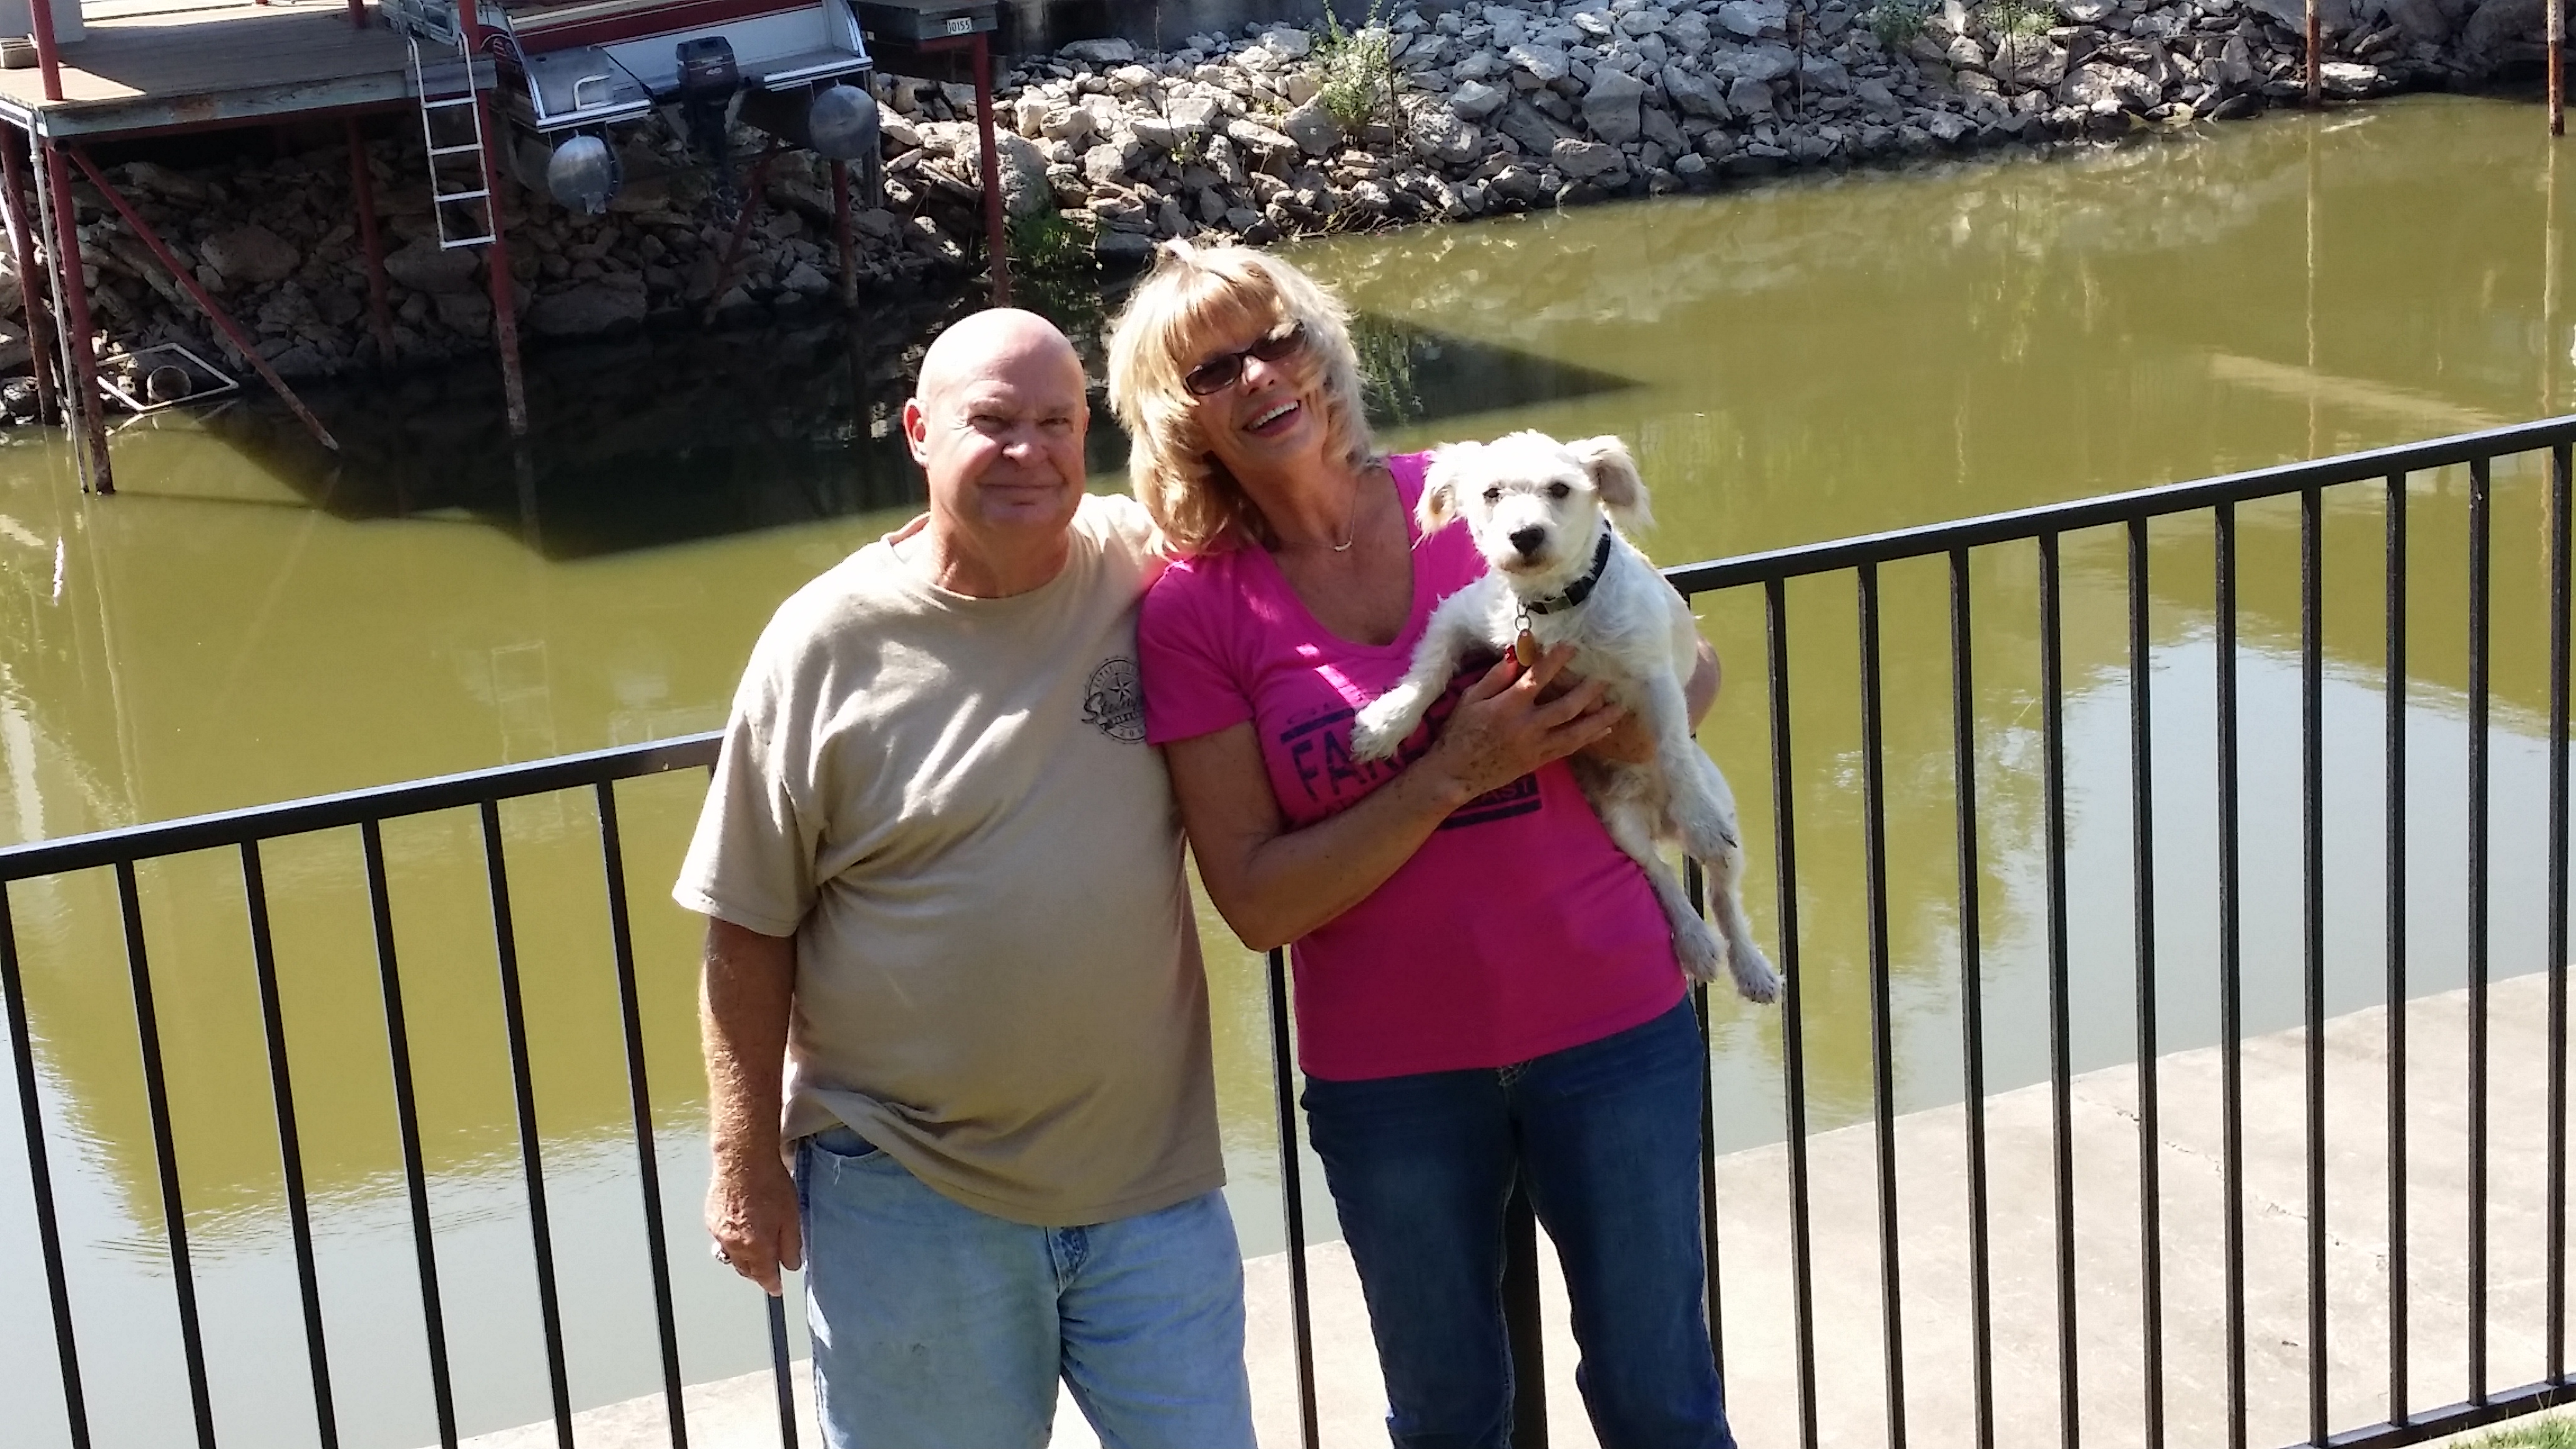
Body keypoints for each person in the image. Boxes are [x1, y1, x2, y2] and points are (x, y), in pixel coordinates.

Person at [1110, 241, 1739, 1449]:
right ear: (1178, 416)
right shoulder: (1195, 610)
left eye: (1276, 338)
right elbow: (1257, 903)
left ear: (1322, 348)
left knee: (1662, 1403)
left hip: (1612, 1026)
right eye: (1213, 369)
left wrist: (1612, 720)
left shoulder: (1487, 493)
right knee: (1450, 1422)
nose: (1259, 374)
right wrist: (1456, 769)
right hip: (1395, 1080)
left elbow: (1691, 661)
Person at [675, 307, 1257, 1449]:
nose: (1029, 451)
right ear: (917, 432)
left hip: (1150, 1186)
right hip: (908, 1195)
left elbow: (1311, 528)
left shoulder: (1144, 567)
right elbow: (745, 923)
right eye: (992, 422)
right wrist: (742, 1162)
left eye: (1057, 422)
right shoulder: (822, 643)